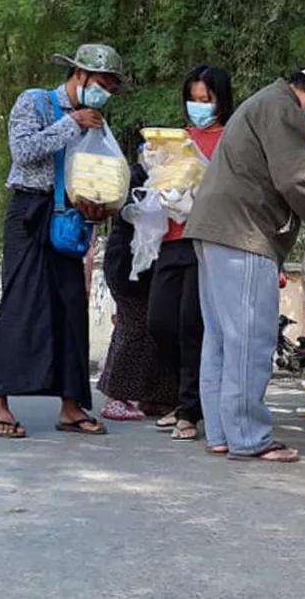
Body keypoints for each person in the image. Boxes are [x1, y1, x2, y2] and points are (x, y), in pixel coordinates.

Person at [185, 63, 305, 462]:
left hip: (214, 229)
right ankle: (249, 437)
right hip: (245, 233)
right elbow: (296, 179)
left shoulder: (263, 102)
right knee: (250, 337)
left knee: (221, 337)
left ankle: (223, 432)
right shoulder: (283, 109)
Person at [0, 44, 129, 438]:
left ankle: (71, 405)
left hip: (70, 221)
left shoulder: (97, 121)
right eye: (101, 84)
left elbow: (99, 169)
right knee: (21, 304)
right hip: (29, 215)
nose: (103, 94)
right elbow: (23, 151)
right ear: (79, 75)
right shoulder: (35, 101)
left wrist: (103, 205)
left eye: (110, 89)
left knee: (71, 309)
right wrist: (72, 124)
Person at [147, 65, 235, 441]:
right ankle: (185, 400)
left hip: (208, 240)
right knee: (160, 321)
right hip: (171, 237)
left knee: (191, 323)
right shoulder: (176, 138)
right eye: (194, 99)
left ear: (220, 100)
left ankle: (187, 410)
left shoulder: (233, 139)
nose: (199, 106)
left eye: (206, 100)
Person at [96, 158, 169, 421]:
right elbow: (128, 212)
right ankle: (116, 395)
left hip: (150, 268)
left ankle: (153, 395)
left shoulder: (169, 179)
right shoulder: (134, 181)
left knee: (156, 330)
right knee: (135, 327)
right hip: (128, 267)